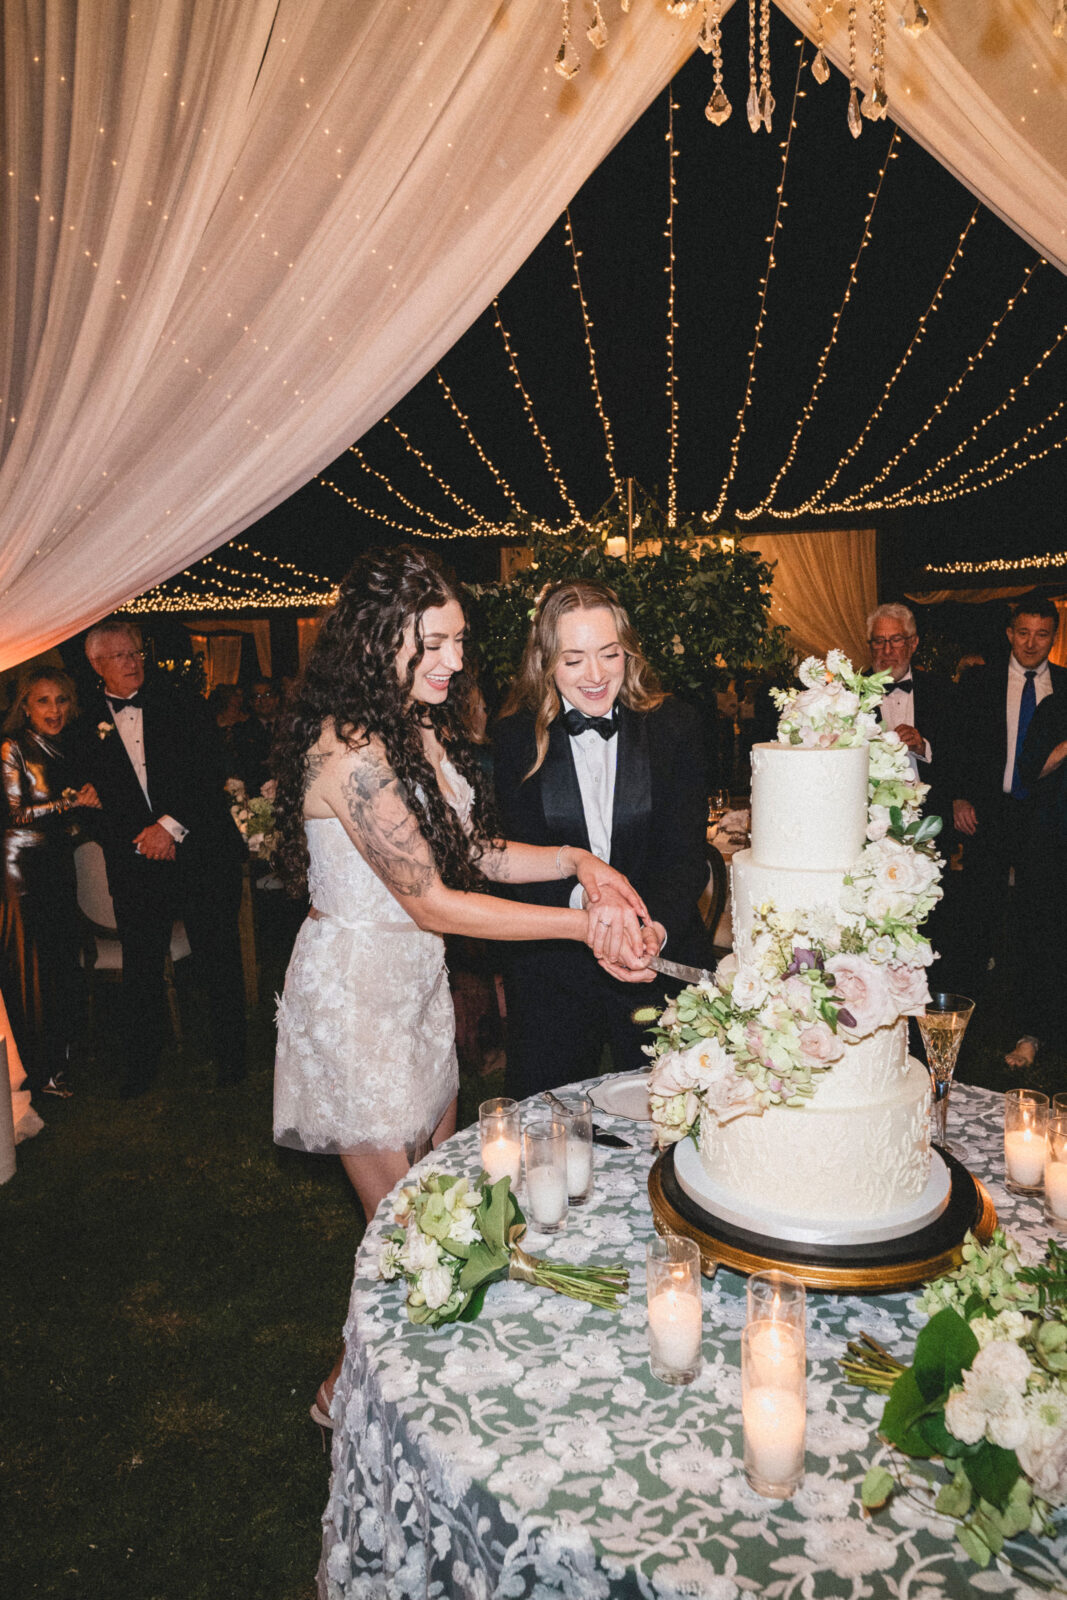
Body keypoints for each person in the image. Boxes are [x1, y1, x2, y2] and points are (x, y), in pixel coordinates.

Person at [271, 546, 653, 1427]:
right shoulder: (349, 757)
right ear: (378, 642)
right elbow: (436, 898)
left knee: (443, 1213)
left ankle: (390, 1388)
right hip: (357, 1002)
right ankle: (357, 1401)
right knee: (411, 1237)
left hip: (414, 991)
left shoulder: (413, 729)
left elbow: (469, 848)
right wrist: (577, 921)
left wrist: (575, 860)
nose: (452, 662)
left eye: (458, 641)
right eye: (432, 644)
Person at [492, 579, 714, 1100]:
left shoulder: (675, 726)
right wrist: (589, 910)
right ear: (545, 662)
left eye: (609, 654)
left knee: (677, 1124)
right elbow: (507, 862)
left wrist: (650, 927)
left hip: (656, 961)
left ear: (628, 652)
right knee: (550, 1131)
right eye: (573, 660)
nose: (595, 676)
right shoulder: (513, 739)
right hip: (554, 972)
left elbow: (685, 857)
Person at [81, 618, 247, 1097]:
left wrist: (169, 826)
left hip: (200, 849)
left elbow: (211, 768)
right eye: (120, 656)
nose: (133, 663)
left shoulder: (181, 702)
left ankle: (232, 1062)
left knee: (219, 958)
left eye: (136, 652)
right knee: (142, 968)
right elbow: (89, 805)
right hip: (136, 864)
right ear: (97, 665)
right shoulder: (84, 726)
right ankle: (141, 1066)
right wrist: (142, 838)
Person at [949, 598, 1067, 1065]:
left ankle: (1032, 1032)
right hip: (989, 814)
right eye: (1023, 632)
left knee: (1040, 928)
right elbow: (957, 743)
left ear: (1053, 636)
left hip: (1046, 821)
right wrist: (958, 796)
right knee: (976, 922)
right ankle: (964, 1026)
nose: (1031, 643)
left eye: (1042, 634)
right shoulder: (979, 680)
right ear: (1009, 632)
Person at [0, 669, 100, 1097]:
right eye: (43, 701)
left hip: (57, 861)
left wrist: (89, 804)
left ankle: (58, 1058)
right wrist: (71, 802)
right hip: (21, 866)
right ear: (25, 705)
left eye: (61, 700)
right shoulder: (12, 748)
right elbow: (15, 814)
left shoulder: (69, 745)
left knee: (61, 960)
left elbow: (73, 819)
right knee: (31, 967)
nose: (54, 710)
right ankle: (37, 1069)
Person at [1005, 685, 1067, 1072]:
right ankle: (1032, 1035)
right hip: (1053, 841)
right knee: (1043, 944)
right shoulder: (1054, 706)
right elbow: (1031, 770)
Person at [867, 603, 955, 823]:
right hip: (871, 818)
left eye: (896, 640)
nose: (887, 651)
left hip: (930, 816)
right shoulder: (851, 694)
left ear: (913, 643)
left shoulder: (941, 690)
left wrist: (923, 747)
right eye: (879, 641)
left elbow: (959, 756)